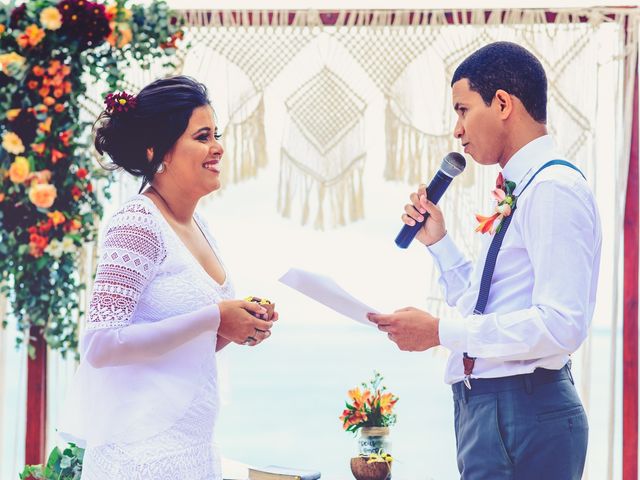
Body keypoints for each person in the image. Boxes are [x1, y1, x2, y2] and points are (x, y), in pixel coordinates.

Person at [368, 42, 602, 479]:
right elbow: (487, 304)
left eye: (462, 109)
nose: (457, 130)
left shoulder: (553, 189)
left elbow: (561, 324)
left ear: (501, 103)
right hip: (492, 409)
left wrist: (439, 332)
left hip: (524, 410)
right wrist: (438, 243)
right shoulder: (524, 185)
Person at [58, 75, 277, 479]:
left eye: (217, 134)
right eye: (202, 136)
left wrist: (234, 327)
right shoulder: (137, 223)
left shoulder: (201, 226)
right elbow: (101, 343)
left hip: (193, 453)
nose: (218, 147)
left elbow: (177, 347)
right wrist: (214, 317)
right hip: (137, 460)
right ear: (158, 151)